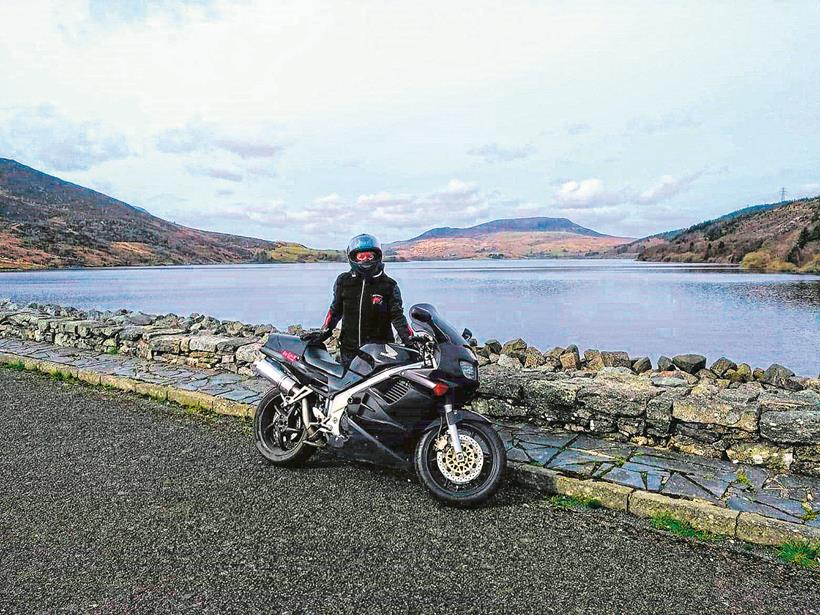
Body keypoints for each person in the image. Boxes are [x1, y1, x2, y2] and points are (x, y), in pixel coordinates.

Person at [300, 234, 415, 367]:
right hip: (349, 350)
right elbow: (335, 312)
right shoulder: (343, 281)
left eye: (369, 256)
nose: (365, 260)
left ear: (377, 256)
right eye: (361, 256)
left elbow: (398, 317)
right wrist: (322, 334)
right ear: (353, 257)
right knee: (346, 386)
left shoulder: (389, 285)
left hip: (380, 352)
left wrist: (411, 342)